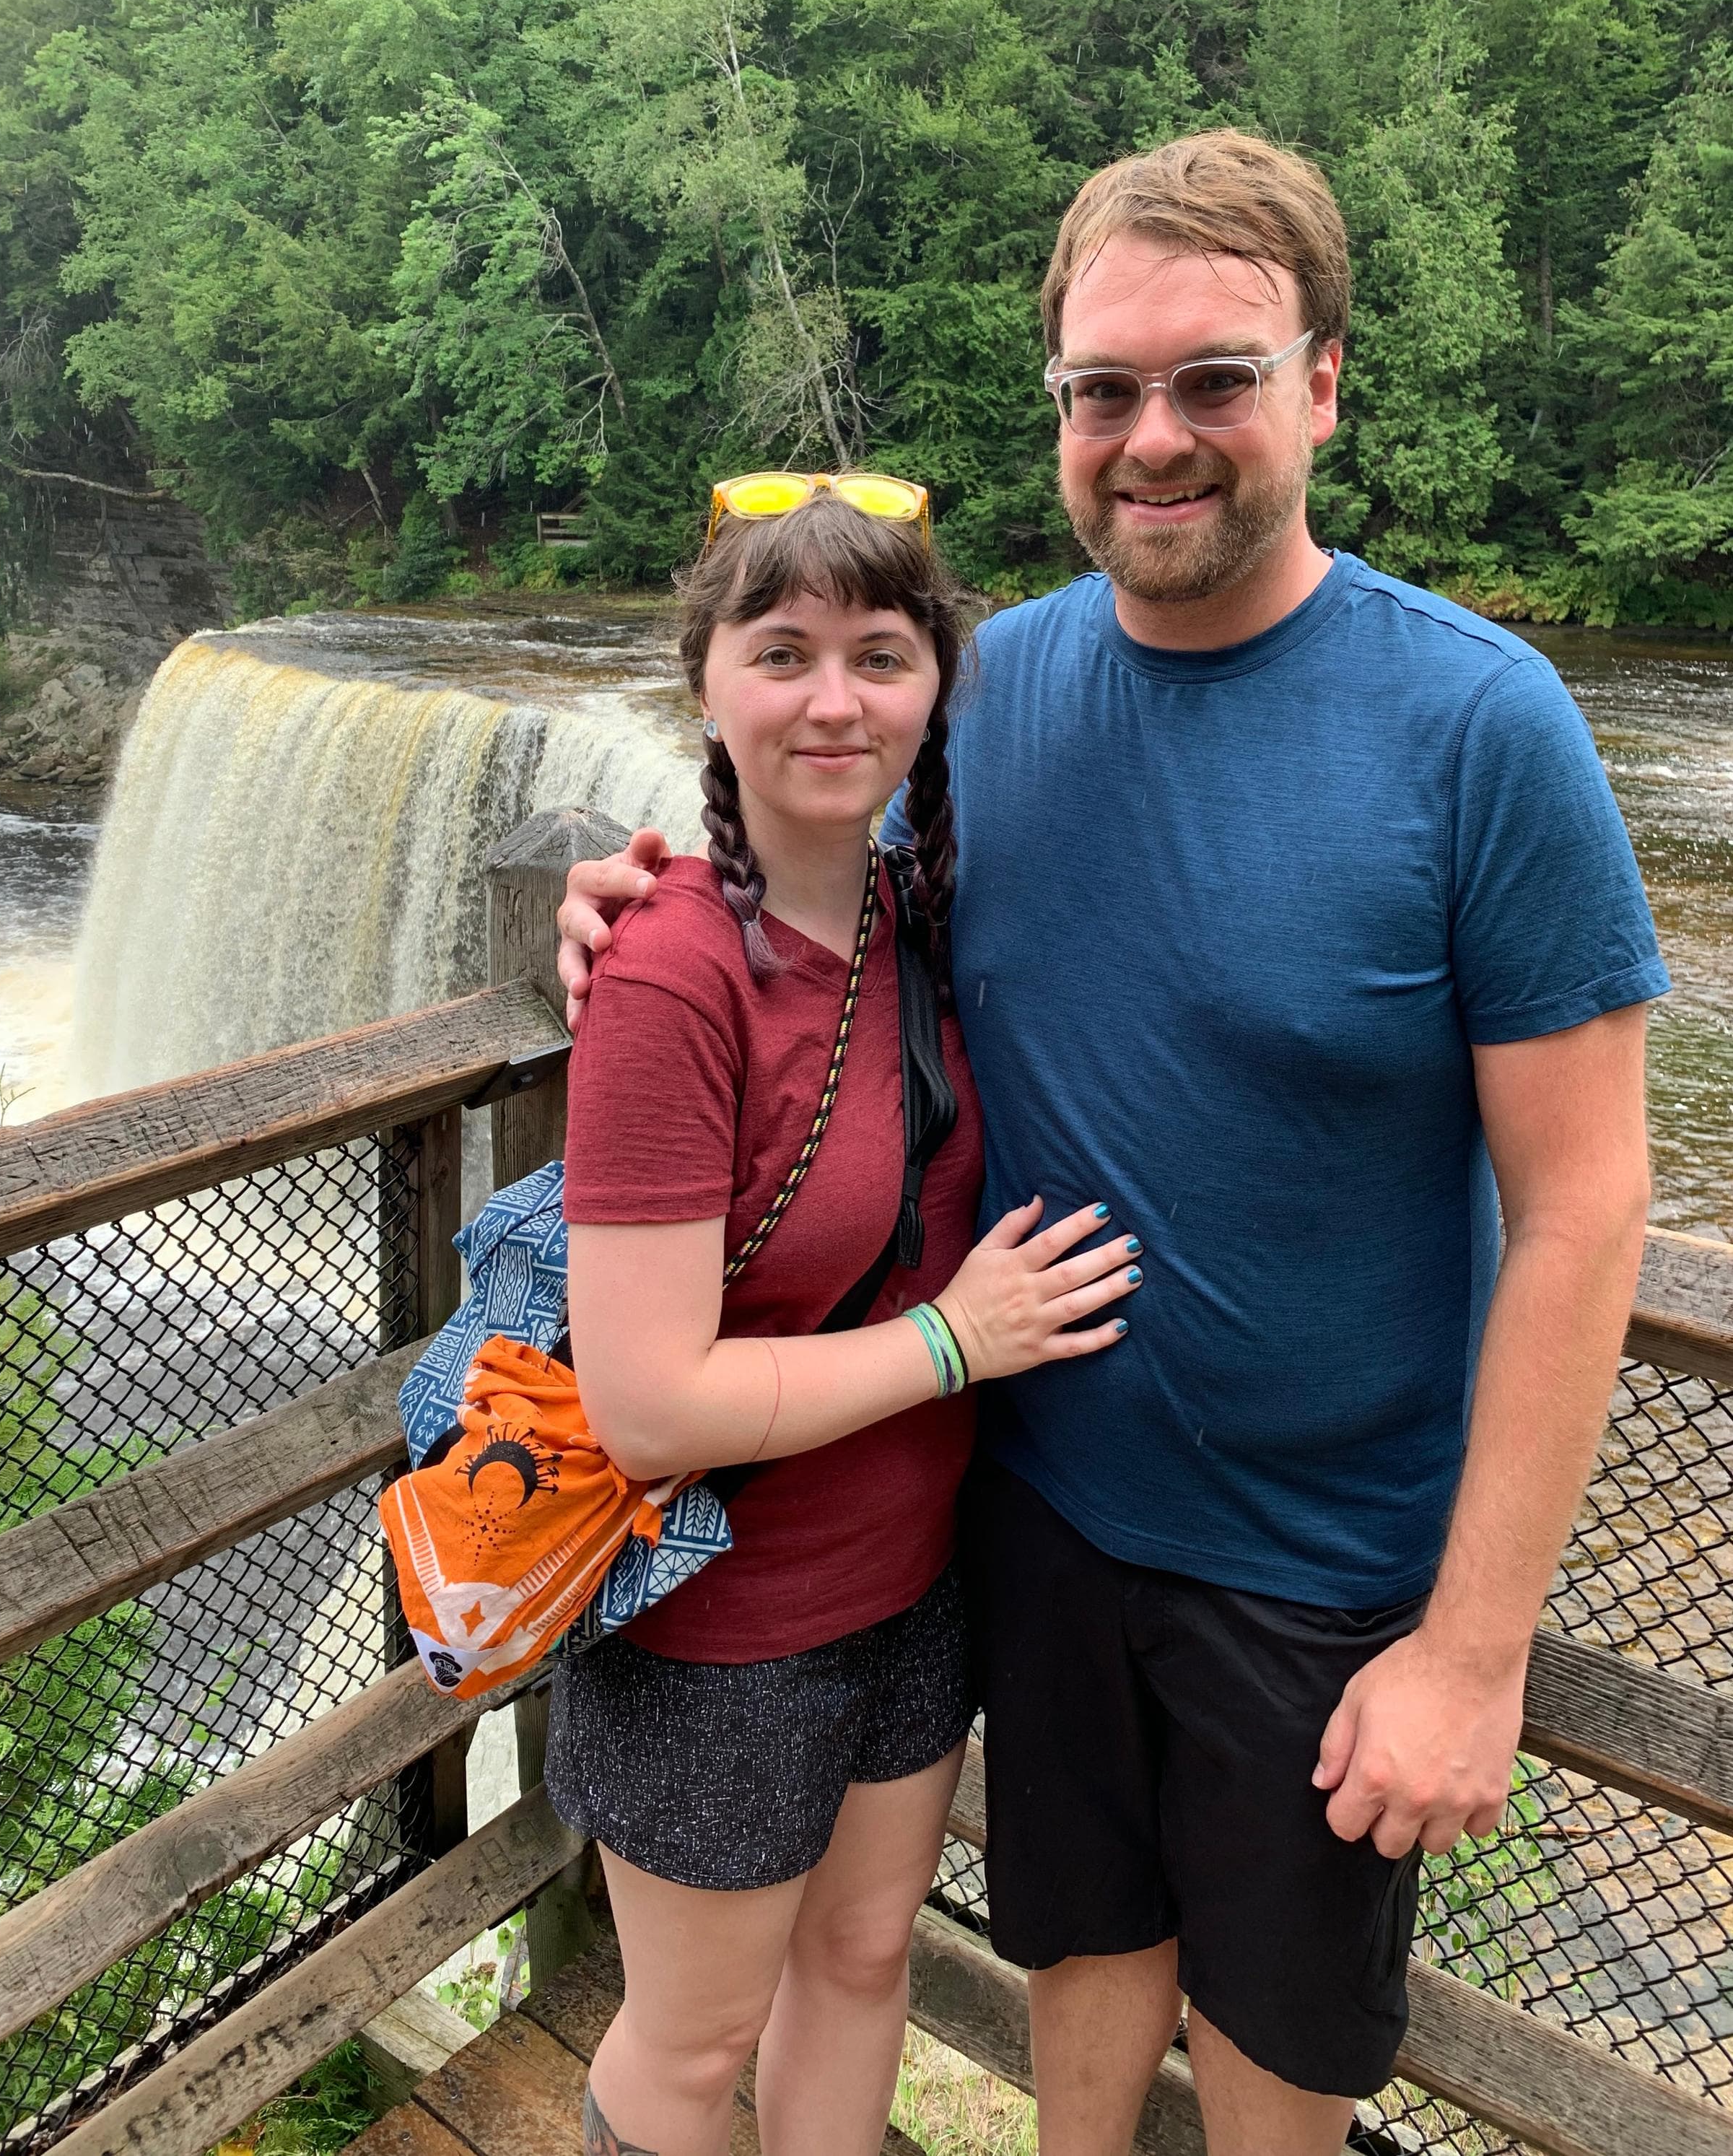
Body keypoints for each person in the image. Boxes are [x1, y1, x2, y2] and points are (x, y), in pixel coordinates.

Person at [555, 130, 1669, 2156]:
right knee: (1078, 1973)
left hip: (1323, 1569)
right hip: (1036, 1518)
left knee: (1276, 2055)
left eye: (1214, 378)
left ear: (1323, 384)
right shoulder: (987, 695)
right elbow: (807, 899)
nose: (1154, 438)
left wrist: (1474, 1648)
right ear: (1058, 410)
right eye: (1103, 391)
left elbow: (1588, 1203)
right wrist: (628, 898)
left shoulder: (1481, 725)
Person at [550, 479, 1139, 2156]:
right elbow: (646, 1407)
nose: (832, 699)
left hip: (910, 1586)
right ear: (706, 684)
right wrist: (957, 1341)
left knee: (864, 1957)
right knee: (690, 2041)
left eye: (878, 656)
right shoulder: (671, 974)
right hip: (716, 1632)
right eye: (782, 650)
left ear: (933, 687)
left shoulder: (915, 917)